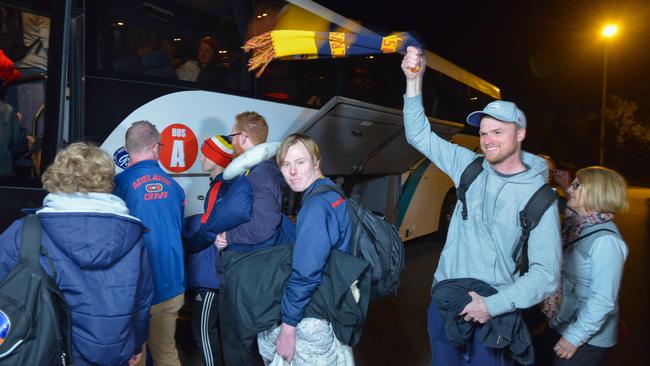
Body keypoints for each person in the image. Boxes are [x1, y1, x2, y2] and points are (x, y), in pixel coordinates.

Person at [401, 46, 561, 365]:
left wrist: (494, 306)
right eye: (483, 132)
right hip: (447, 301)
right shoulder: (469, 165)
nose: (487, 139)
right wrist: (413, 81)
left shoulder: (539, 197)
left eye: (497, 132)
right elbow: (418, 135)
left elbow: (546, 274)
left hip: (496, 309)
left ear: (521, 134)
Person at [0, 142, 153, 365]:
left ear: (57, 175)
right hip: (113, 355)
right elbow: (141, 303)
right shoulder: (133, 236)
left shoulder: (25, 231)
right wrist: (136, 343)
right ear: (107, 180)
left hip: (45, 351)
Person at [256, 133, 354, 365]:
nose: (292, 171)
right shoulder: (331, 192)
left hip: (313, 315)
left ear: (316, 162)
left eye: (300, 162)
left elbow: (306, 274)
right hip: (335, 304)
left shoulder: (316, 207)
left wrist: (288, 328)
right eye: (285, 164)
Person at [539, 167, 628, 366]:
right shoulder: (581, 225)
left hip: (587, 338)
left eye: (576, 185)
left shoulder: (606, 242)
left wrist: (573, 337)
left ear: (595, 193)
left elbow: (603, 300)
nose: (570, 188)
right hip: (563, 322)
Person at [113, 121, 186, 366]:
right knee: (166, 352)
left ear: (127, 148)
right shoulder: (175, 188)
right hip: (171, 284)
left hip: (133, 290)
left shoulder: (117, 187)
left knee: (134, 357)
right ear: (157, 148)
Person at [216, 111, 285, 366]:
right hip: (246, 270)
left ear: (244, 137)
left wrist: (229, 236)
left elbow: (265, 225)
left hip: (246, 274)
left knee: (238, 344)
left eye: (233, 135)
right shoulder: (256, 170)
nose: (231, 140)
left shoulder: (260, 173)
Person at [184, 134, 234, 366]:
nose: (201, 157)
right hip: (216, 273)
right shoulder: (218, 184)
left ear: (218, 159)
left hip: (212, 277)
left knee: (202, 331)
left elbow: (210, 229)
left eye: (206, 154)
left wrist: (189, 241)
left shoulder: (221, 188)